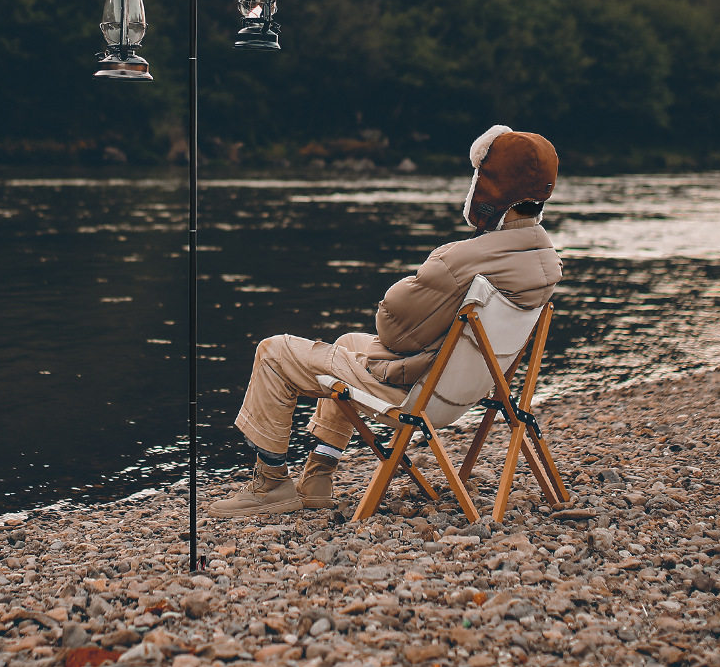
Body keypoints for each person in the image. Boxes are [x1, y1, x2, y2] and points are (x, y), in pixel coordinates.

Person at [208, 125, 563, 518]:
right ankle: (317, 478)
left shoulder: (460, 260)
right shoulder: (545, 259)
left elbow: (392, 329)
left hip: (418, 394)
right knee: (346, 342)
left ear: (489, 188)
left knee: (273, 352)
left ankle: (271, 483)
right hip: (465, 390)